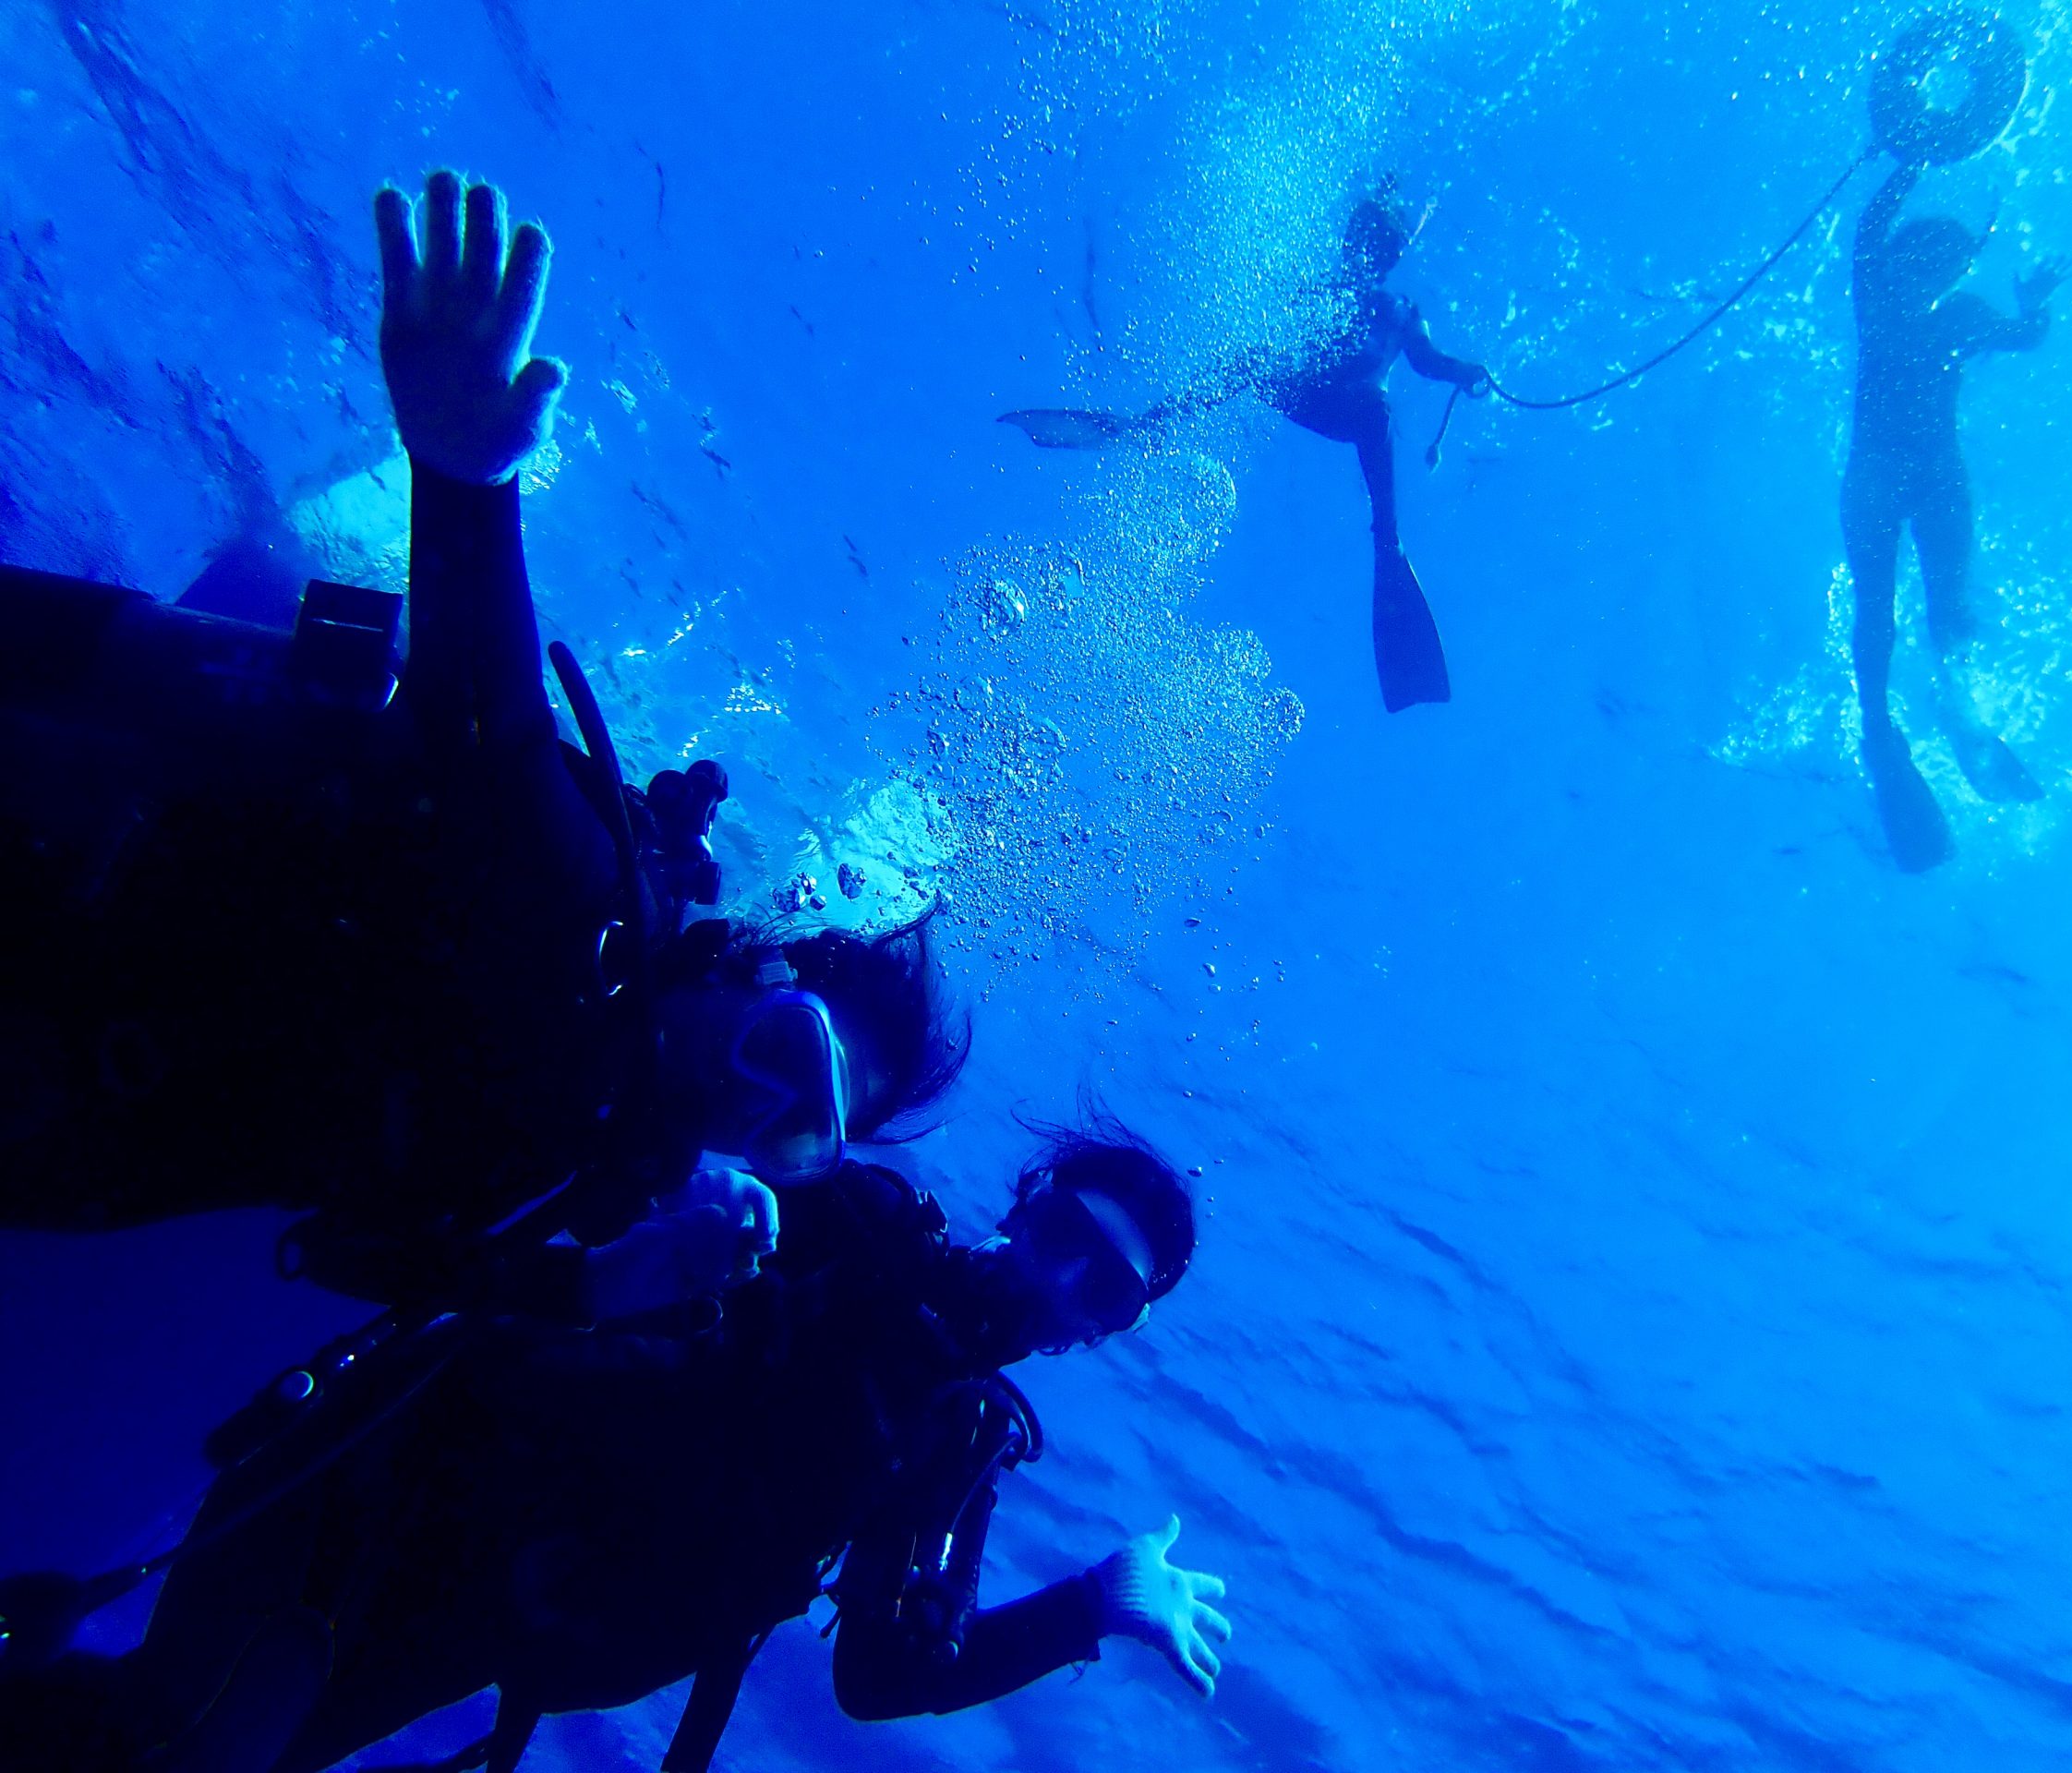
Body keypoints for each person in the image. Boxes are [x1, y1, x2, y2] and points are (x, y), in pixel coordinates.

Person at [0, 172, 967, 1323]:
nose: (752, 1106)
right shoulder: (597, 917)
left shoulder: (579, 1167)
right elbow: (491, 731)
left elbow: (371, 1254)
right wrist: (464, 481)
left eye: (799, 1134)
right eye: (784, 1056)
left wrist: (590, 1286)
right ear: (753, 969)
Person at [0, 1125, 1232, 1773]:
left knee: (161, 1747)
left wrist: (1092, 1607)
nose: (1059, 1281)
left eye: (1103, 1290)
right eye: (1062, 1234)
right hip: (391, 1490)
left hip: (490, 1631)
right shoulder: (853, 1224)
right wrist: (689, 1204)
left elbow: (883, 1679)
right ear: (1022, 1204)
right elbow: (635, 1206)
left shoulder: (952, 1447)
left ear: (1103, 1332)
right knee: (173, 1749)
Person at [1001, 182, 1488, 713]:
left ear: (1389, 256)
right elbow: (1280, 342)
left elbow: (1426, 361)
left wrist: (1463, 370)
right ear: (1351, 242)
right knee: (1253, 361)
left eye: (1379, 245)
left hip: (1359, 412)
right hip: (1316, 398)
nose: (1366, 252)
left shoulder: (1402, 310)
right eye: (1362, 239)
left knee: (1376, 409)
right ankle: (1150, 426)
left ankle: (1387, 540)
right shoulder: (1321, 293)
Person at [1844, 153, 2066, 871]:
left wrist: (2034, 305)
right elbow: (1868, 231)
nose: (1926, 272)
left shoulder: (1961, 315)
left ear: (1951, 270)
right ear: (1901, 261)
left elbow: (2024, 338)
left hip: (1935, 476)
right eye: (1919, 260)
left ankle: (1959, 709)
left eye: (1940, 263)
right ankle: (1879, 726)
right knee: (1877, 605)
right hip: (1882, 475)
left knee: (1948, 608)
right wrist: (1910, 159)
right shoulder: (1876, 296)